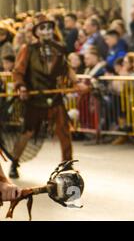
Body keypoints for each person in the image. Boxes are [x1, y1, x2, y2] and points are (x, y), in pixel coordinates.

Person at [9, 20, 87, 179]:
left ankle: (67, 165)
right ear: (36, 32)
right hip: (35, 99)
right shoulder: (28, 50)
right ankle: (14, 163)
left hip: (54, 97)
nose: (47, 31)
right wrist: (21, 87)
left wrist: (77, 82)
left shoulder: (60, 49)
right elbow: (18, 71)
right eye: (43, 28)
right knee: (27, 132)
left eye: (49, 28)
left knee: (64, 130)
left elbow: (67, 69)